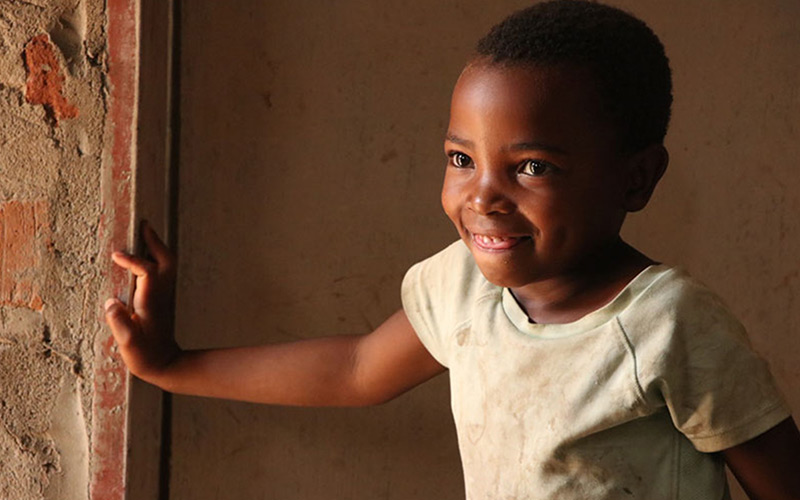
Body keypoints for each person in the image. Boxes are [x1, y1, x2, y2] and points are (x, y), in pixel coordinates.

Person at [104, 1, 800, 498]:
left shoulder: (670, 324)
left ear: (637, 177)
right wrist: (171, 365)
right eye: (461, 159)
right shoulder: (466, 287)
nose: (483, 198)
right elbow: (354, 370)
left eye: (532, 167)